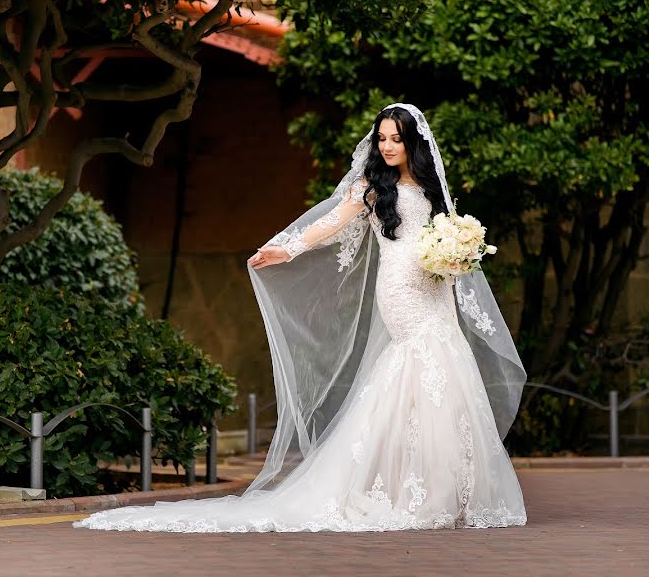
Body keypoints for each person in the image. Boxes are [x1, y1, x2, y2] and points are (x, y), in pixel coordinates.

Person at [75, 103, 527, 532]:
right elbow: (330, 222)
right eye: (383, 139)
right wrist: (286, 247)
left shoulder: (430, 190)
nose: (388, 147)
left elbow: (439, 240)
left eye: (397, 140)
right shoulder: (372, 187)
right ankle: (413, 492)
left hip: (435, 289)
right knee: (420, 364)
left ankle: (449, 491)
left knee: (444, 371)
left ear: (413, 144)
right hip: (401, 292)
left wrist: (454, 256)